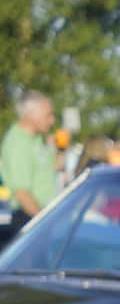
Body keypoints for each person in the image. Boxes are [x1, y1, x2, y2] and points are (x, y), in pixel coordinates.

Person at [1, 90, 59, 220]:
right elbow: (22, 193)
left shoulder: (36, 138)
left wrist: (60, 148)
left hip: (44, 214)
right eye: (48, 115)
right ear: (31, 114)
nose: (52, 120)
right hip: (31, 218)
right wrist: (47, 222)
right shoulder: (17, 143)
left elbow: (53, 167)